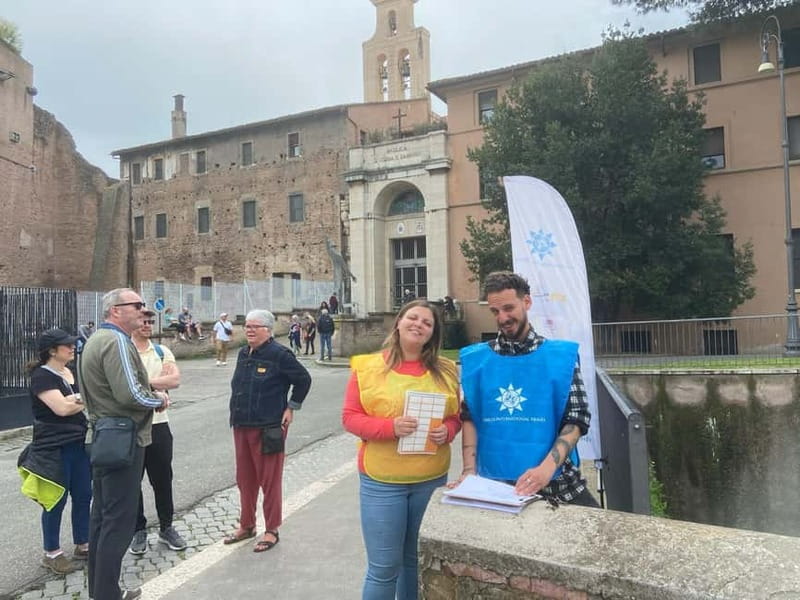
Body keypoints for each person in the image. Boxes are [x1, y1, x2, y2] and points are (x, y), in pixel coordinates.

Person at [342, 299, 460, 599]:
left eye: (427, 323)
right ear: (398, 322)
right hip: (383, 482)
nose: (418, 325)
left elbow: (456, 416)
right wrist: (389, 428)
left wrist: (447, 430)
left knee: (414, 562)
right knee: (383, 568)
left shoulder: (446, 370)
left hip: (430, 479)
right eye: (413, 318)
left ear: (433, 333)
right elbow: (350, 418)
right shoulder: (367, 367)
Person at [455, 271, 598, 507]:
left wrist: (544, 470)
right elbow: (469, 416)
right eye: (495, 311)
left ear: (527, 302)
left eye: (509, 308)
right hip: (494, 486)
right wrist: (469, 470)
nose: (502, 318)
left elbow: (577, 419)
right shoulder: (476, 360)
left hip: (557, 485)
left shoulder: (561, 357)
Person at [79, 288, 168, 600]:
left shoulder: (95, 340)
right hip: (123, 439)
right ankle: (107, 595)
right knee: (118, 520)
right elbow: (131, 393)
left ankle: (102, 591)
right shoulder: (116, 341)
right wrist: (158, 399)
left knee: (102, 518)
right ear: (116, 310)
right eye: (137, 305)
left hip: (104, 436)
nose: (143, 310)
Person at [223, 309, 311, 553]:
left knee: (269, 481)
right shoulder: (243, 352)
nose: (249, 330)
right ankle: (246, 525)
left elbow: (303, 379)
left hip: (268, 427)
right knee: (245, 480)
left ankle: (271, 529)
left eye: (255, 326)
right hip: (241, 424)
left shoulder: (280, 354)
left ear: (268, 330)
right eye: (247, 326)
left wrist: (291, 407)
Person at [18, 328, 91, 576]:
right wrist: (82, 399)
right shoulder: (42, 376)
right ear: (52, 350)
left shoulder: (69, 372)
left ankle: (83, 543)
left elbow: (71, 404)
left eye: (72, 344)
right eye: (66, 345)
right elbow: (60, 409)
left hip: (78, 443)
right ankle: (52, 553)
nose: (72, 348)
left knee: (84, 494)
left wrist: (75, 401)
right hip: (53, 448)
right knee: (55, 500)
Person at [129, 310, 187, 556]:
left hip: (159, 424)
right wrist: (156, 381)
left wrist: (144, 384)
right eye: (143, 320)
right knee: (133, 482)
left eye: (151, 321)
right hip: (132, 425)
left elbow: (174, 380)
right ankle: (138, 529)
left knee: (163, 479)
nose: (148, 324)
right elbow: (123, 383)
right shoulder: (125, 351)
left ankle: (166, 526)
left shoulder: (162, 351)